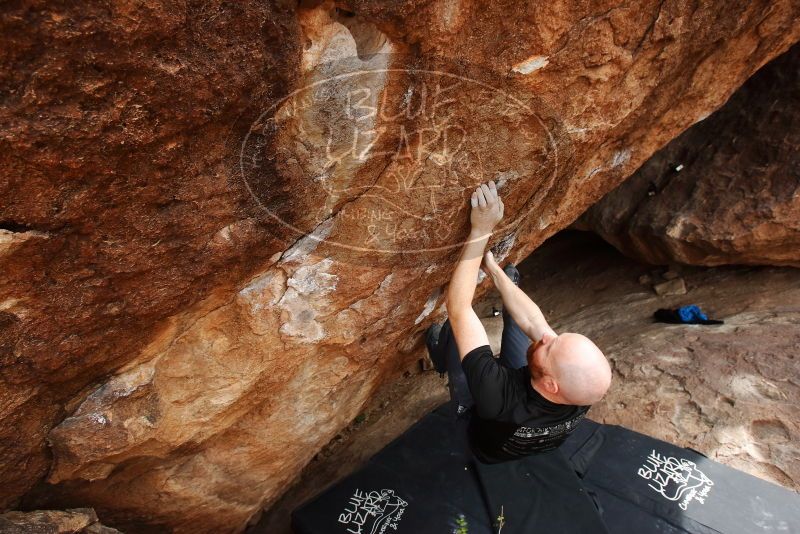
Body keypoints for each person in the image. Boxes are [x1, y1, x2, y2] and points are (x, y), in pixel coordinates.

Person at [426, 180, 612, 464]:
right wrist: (492, 270)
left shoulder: (496, 396)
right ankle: (507, 282)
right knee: (522, 328)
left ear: (550, 385)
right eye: (558, 337)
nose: (548, 336)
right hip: (526, 392)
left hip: (481, 427)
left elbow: (460, 308)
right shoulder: (579, 394)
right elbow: (534, 320)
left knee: (458, 337)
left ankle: (441, 357)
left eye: (551, 347)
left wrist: (481, 230)